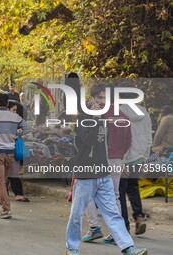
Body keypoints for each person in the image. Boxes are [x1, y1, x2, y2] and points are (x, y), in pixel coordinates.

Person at [65, 84, 147, 255]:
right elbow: (88, 142)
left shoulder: (103, 119)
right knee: (76, 214)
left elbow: (106, 146)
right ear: (92, 98)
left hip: (103, 175)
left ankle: (127, 247)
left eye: (105, 99)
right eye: (100, 98)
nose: (103, 102)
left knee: (113, 214)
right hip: (86, 175)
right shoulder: (82, 119)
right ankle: (72, 248)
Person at [81, 85, 132, 245]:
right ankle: (116, 233)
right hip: (117, 159)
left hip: (100, 159)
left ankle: (94, 227)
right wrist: (120, 157)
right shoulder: (124, 115)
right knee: (114, 196)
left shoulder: (97, 114)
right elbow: (128, 141)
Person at [119, 87, 152, 235]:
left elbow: (121, 139)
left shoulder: (119, 112)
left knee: (119, 193)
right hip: (139, 156)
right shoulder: (144, 112)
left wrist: (120, 161)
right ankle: (138, 217)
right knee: (133, 187)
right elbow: (148, 137)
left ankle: (124, 226)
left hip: (124, 158)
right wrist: (144, 158)